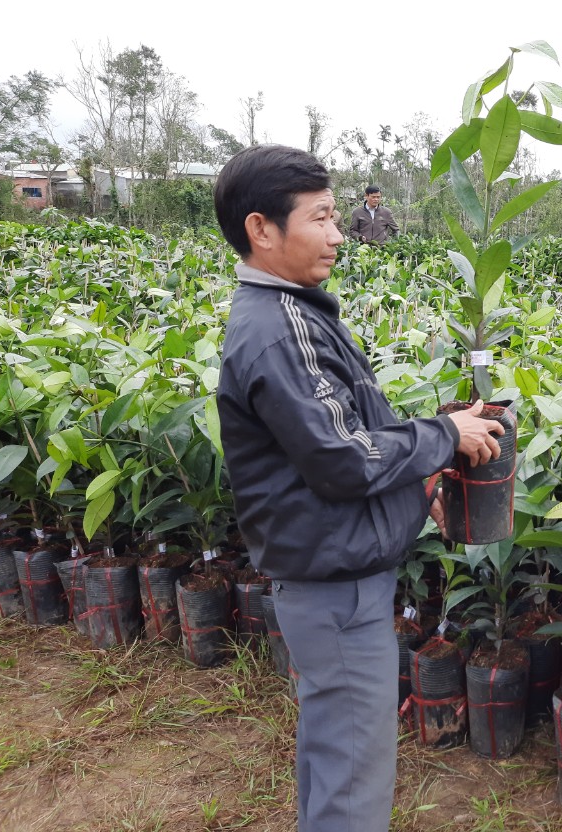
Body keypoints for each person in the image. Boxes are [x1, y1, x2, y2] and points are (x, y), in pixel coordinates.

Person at [213, 144, 503, 832]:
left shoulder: (293, 313)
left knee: (334, 755)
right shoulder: (280, 331)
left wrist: (415, 491)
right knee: (353, 781)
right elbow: (342, 460)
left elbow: (337, 437)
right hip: (337, 592)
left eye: (338, 216)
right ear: (262, 229)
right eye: (321, 218)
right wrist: (445, 436)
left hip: (330, 577)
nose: (339, 235)